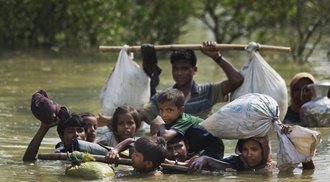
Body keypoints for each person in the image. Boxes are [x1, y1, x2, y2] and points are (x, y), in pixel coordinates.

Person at [97, 41, 244, 131]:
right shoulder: (162, 97)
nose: (179, 73)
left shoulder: (207, 91)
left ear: (195, 70)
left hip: (198, 144)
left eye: (184, 68)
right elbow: (141, 115)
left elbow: (236, 79)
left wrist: (216, 57)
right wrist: (113, 119)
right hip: (172, 147)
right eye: (176, 68)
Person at [157, 88, 224, 160]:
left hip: (213, 146)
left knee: (194, 163)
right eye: (161, 110)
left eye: (169, 110)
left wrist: (161, 124)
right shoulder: (171, 121)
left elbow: (165, 136)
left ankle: (175, 164)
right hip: (198, 144)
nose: (164, 115)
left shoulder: (184, 120)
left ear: (181, 110)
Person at [188, 136, 273, 173]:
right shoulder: (239, 162)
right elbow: (223, 165)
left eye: (254, 149)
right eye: (245, 149)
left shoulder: (273, 167)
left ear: (263, 151)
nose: (249, 154)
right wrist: (205, 159)